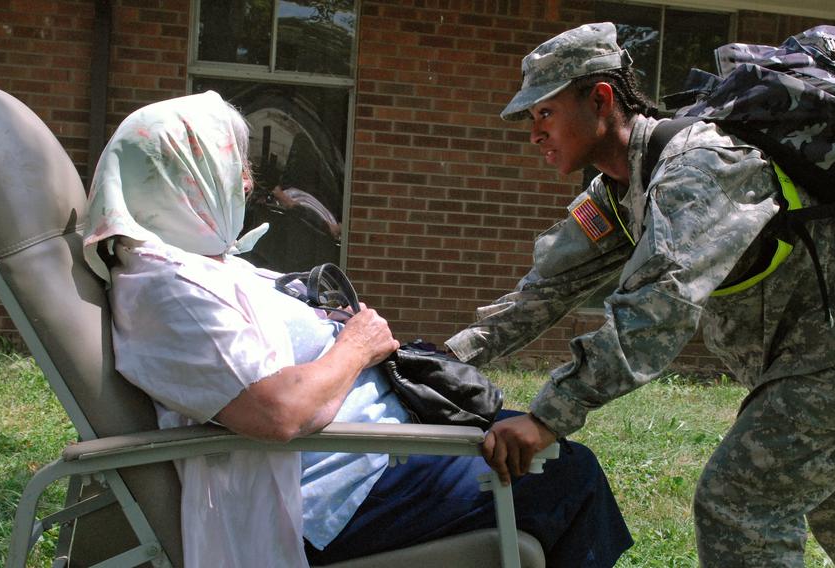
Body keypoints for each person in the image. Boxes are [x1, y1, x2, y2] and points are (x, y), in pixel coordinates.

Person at [82, 91, 633, 567]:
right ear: (184, 176)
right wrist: (356, 346)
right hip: (333, 495)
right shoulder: (168, 290)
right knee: (569, 475)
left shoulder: (194, 264)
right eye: (235, 166)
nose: (247, 182)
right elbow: (276, 412)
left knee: (532, 440)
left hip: (367, 456)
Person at [446, 22, 835, 567]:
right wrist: (436, 361)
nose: (534, 133)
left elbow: (657, 310)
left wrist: (548, 416)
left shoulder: (698, 168)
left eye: (544, 113)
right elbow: (543, 291)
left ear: (600, 98)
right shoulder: (619, 190)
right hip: (817, 355)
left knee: (741, 504)